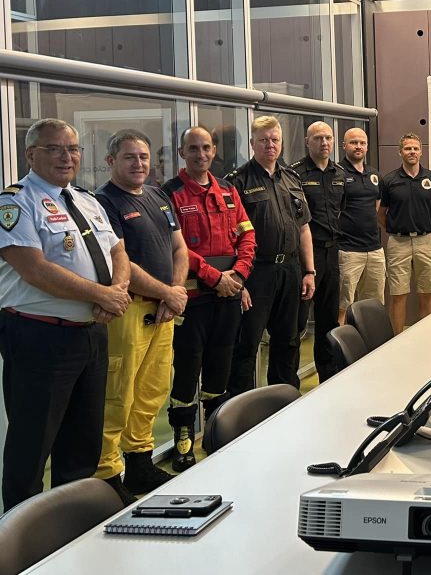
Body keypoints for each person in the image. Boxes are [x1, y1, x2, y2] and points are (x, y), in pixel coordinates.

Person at [0, 119, 131, 511]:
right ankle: (22, 535)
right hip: (40, 338)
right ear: (31, 155)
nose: (66, 157)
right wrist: (102, 295)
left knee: (83, 442)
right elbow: (34, 269)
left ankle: (71, 525)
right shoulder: (15, 202)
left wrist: (116, 292)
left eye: (73, 149)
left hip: (91, 334)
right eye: (54, 148)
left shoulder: (87, 200)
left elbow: (118, 251)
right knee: (32, 445)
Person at [91, 130, 187, 505]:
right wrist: (166, 293)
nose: (139, 163)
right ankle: (106, 475)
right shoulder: (103, 202)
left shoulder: (158, 196)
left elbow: (179, 248)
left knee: (151, 391)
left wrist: (174, 293)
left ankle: (140, 463)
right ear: (110, 161)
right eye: (129, 157)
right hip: (127, 312)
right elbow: (122, 262)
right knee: (118, 395)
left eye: (144, 156)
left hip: (162, 312)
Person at [162, 126, 255, 471]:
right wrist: (216, 278)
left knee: (221, 366)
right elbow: (177, 247)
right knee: (187, 369)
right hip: (193, 298)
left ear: (214, 150)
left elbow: (247, 235)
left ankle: (216, 434)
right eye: (193, 148)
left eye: (206, 148)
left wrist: (239, 276)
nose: (200, 154)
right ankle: (183, 438)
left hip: (228, 296)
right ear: (181, 153)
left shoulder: (228, 190)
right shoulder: (170, 194)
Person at [226, 116, 315, 395]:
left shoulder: (292, 178)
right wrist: (239, 282)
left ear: (282, 143)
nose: (270, 145)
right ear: (252, 144)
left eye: (275, 140)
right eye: (263, 140)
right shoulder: (237, 182)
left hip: (290, 269)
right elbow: (230, 238)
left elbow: (303, 228)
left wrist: (309, 271)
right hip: (255, 274)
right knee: (246, 345)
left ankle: (285, 399)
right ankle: (243, 408)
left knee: (288, 342)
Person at [290, 122, 345, 381]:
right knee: (297, 323)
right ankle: (290, 384)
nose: (324, 143)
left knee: (328, 321)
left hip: (331, 254)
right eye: (318, 138)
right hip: (305, 258)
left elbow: (341, 209)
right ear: (307, 142)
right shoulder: (295, 174)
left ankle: (328, 379)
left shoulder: (339, 173)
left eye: (328, 138)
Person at [379, 134, 431, 332]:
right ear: (400, 152)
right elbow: (381, 213)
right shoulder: (389, 180)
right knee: (398, 294)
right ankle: (397, 340)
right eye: (408, 148)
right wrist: (394, 229)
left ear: (421, 152)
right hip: (398, 242)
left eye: (415, 148)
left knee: (427, 292)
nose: (412, 152)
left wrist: (429, 228)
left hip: (426, 241)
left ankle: (426, 336)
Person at [337, 127, 384, 319]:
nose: (358, 146)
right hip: (348, 250)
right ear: (344, 146)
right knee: (343, 305)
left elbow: (376, 205)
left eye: (362, 143)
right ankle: (341, 339)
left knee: (374, 306)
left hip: (374, 249)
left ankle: (371, 339)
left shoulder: (374, 174)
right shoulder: (337, 173)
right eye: (353, 142)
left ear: (367, 147)